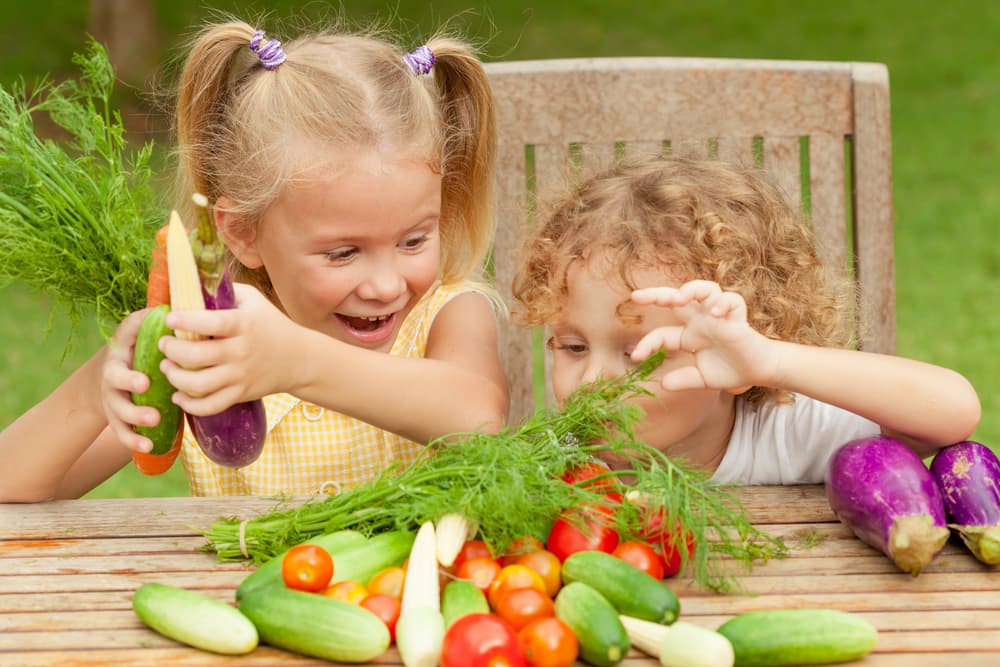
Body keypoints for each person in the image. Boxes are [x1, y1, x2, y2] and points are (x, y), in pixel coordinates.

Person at [0, 20, 507, 501]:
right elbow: (11, 487)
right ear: (243, 233)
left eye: (413, 241)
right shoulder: (206, 347)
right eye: (343, 253)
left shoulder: (448, 311)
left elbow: (480, 419)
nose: (385, 285)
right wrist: (94, 392)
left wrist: (297, 362)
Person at [511, 155, 980, 484]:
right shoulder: (558, 461)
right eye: (573, 347)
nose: (593, 380)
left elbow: (952, 412)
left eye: (638, 353)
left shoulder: (786, 432)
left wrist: (769, 361)